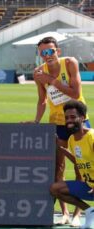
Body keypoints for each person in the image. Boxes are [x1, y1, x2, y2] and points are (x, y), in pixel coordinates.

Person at [31, 36, 91, 226]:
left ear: (58, 51)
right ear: (40, 54)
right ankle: (64, 213)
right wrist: (36, 121)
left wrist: (51, 80)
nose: (47, 55)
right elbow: (42, 100)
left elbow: (75, 93)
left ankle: (77, 214)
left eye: (50, 51)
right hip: (56, 123)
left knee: (81, 166)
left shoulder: (70, 63)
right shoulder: (38, 73)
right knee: (58, 167)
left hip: (78, 122)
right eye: (43, 52)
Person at [50, 100, 94, 229]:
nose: (69, 120)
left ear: (83, 118)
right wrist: (62, 149)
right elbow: (79, 161)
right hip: (89, 186)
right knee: (55, 189)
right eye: (67, 117)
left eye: (73, 117)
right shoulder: (72, 139)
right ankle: (90, 211)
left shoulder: (91, 137)